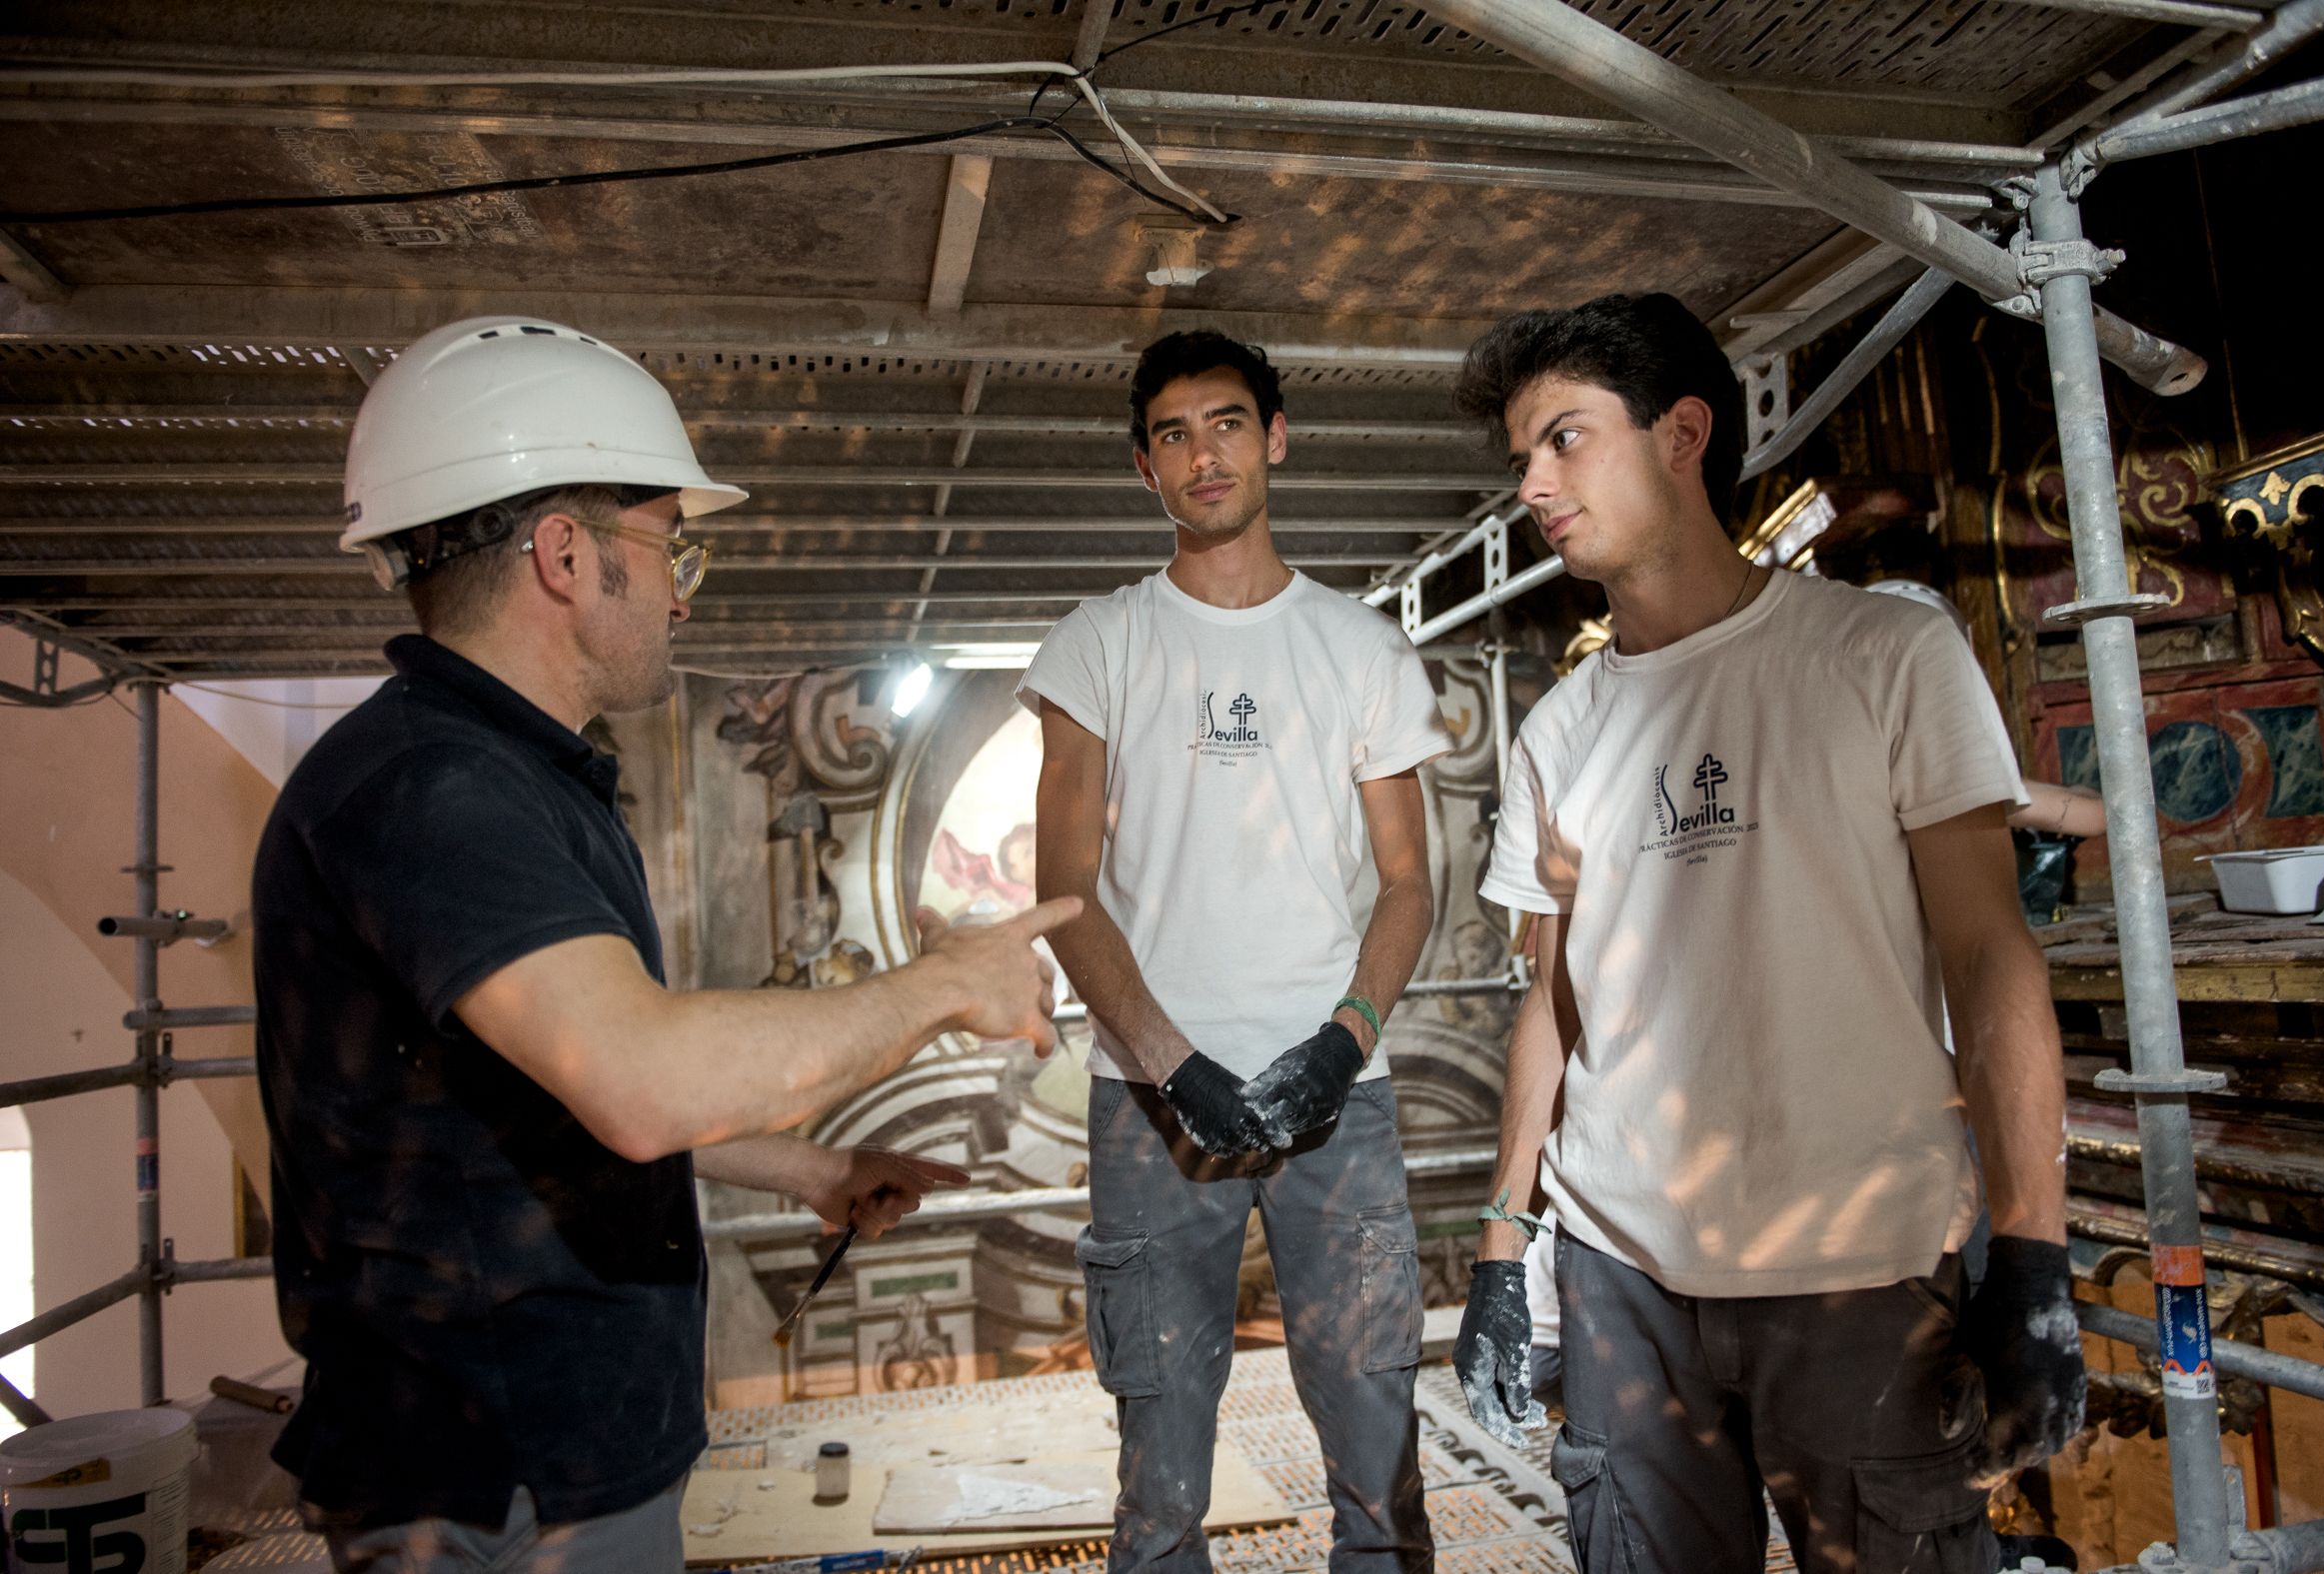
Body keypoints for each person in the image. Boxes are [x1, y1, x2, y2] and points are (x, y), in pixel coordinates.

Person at [252, 316, 1077, 1572]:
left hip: (541, 1449)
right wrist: (947, 982)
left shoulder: (495, 778)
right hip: (497, 1473)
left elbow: (546, 1091)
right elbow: (639, 1080)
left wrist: (802, 1172)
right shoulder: (433, 791)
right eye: (668, 544)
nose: (685, 587)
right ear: (567, 555)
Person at [1446, 295, 2084, 1574]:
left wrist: (2032, 1243)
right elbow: (1554, 1004)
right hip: (1624, 1275)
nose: (1531, 482)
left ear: (1683, 432)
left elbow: (1986, 950)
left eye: (1562, 439)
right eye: (1521, 455)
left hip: (1852, 1261)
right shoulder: (1559, 734)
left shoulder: (1880, 654)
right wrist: (1503, 1251)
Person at [1025, 330, 1450, 1574]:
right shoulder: (1097, 644)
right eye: (1171, 434)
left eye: (1225, 422)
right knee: (1159, 1482)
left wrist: (1342, 1041)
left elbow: (1410, 883)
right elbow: (1064, 892)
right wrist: (1174, 1067)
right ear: (1143, 469)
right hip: (1150, 1110)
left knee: (1378, 1458)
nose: (1202, 453)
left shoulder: (1360, 646)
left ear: (1276, 436)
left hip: (1341, 1107)